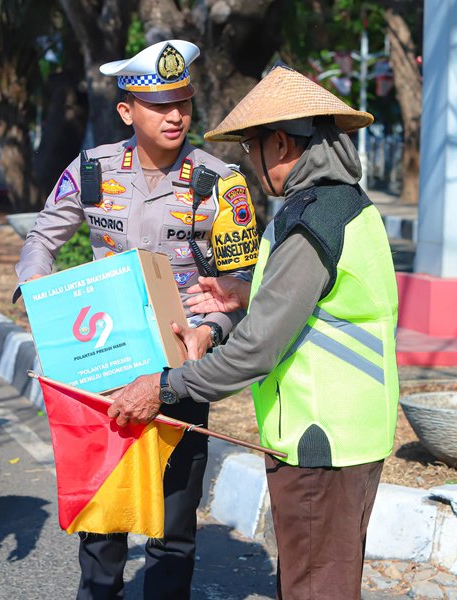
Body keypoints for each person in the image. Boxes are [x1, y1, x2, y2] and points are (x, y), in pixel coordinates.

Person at [109, 63, 400, 600]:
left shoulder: (312, 219)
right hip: (349, 431)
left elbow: (258, 348)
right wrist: (244, 296)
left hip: (320, 440)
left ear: (282, 143)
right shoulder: (346, 206)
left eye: (252, 148)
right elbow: (325, 304)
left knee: (315, 589)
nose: (251, 161)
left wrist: (167, 386)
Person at [16, 40, 259, 600]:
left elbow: (238, 292)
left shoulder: (219, 182)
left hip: (180, 370)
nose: (175, 116)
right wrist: (40, 295)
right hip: (102, 370)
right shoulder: (93, 171)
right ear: (127, 111)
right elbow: (41, 239)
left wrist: (208, 333)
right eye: (159, 105)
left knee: (174, 530)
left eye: (184, 103)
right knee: (103, 524)